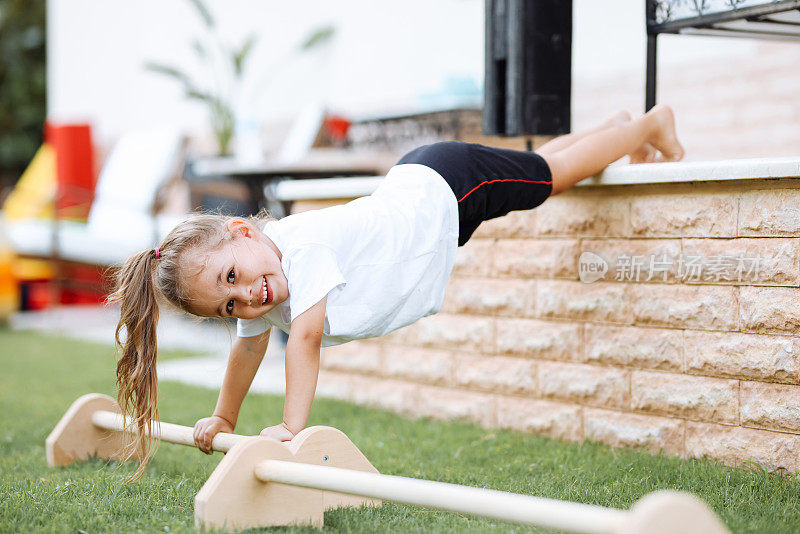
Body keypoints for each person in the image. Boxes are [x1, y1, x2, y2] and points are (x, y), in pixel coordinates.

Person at [110, 104, 683, 480]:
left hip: (444, 187)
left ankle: (649, 125)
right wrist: (224, 417)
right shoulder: (267, 273)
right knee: (534, 169)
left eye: (232, 278)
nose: (248, 299)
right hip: (427, 199)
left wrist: (291, 427)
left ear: (243, 231)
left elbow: (303, 340)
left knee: (545, 180)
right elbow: (247, 349)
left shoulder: (299, 249)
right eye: (228, 305)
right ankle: (617, 127)